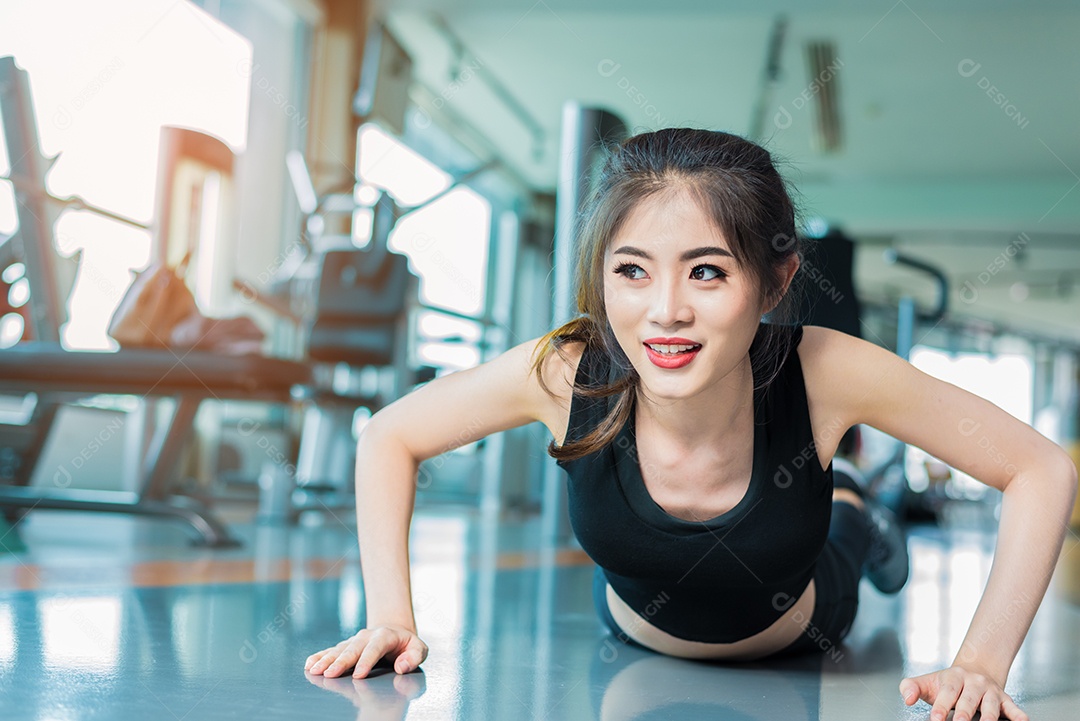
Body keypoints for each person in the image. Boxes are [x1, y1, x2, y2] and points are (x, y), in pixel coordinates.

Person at [305, 128, 1076, 721]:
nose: (665, 309)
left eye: (706, 271)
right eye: (632, 269)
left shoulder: (826, 369)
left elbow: (1041, 468)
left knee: (843, 531)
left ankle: (854, 516)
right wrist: (391, 617)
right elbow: (389, 435)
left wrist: (981, 661)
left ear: (774, 279)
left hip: (804, 619)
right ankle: (842, 498)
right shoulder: (570, 369)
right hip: (636, 639)